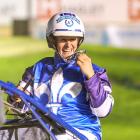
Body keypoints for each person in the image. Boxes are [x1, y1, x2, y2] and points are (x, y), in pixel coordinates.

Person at [9, 11, 114, 140]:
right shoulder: (37, 68)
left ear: (79, 40)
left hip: (81, 133)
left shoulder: (95, 71)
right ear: (52, 40)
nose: (68, 45)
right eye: (63, 40)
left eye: (72, 39)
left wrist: (91, 77)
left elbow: (103, 111)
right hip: (42, 131)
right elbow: (20, 109)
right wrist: (16, 98)